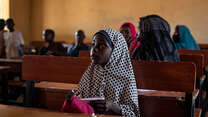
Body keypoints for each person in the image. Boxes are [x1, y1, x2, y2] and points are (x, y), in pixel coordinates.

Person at [76, 28, 139, 117]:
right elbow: (79, 98)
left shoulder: (125, 79)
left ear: (116, 51)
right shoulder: (89, 74)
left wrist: (113, 106)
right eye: (93, 44)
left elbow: (134, 114)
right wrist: (74, 99)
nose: (94, 49)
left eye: (102, 46)